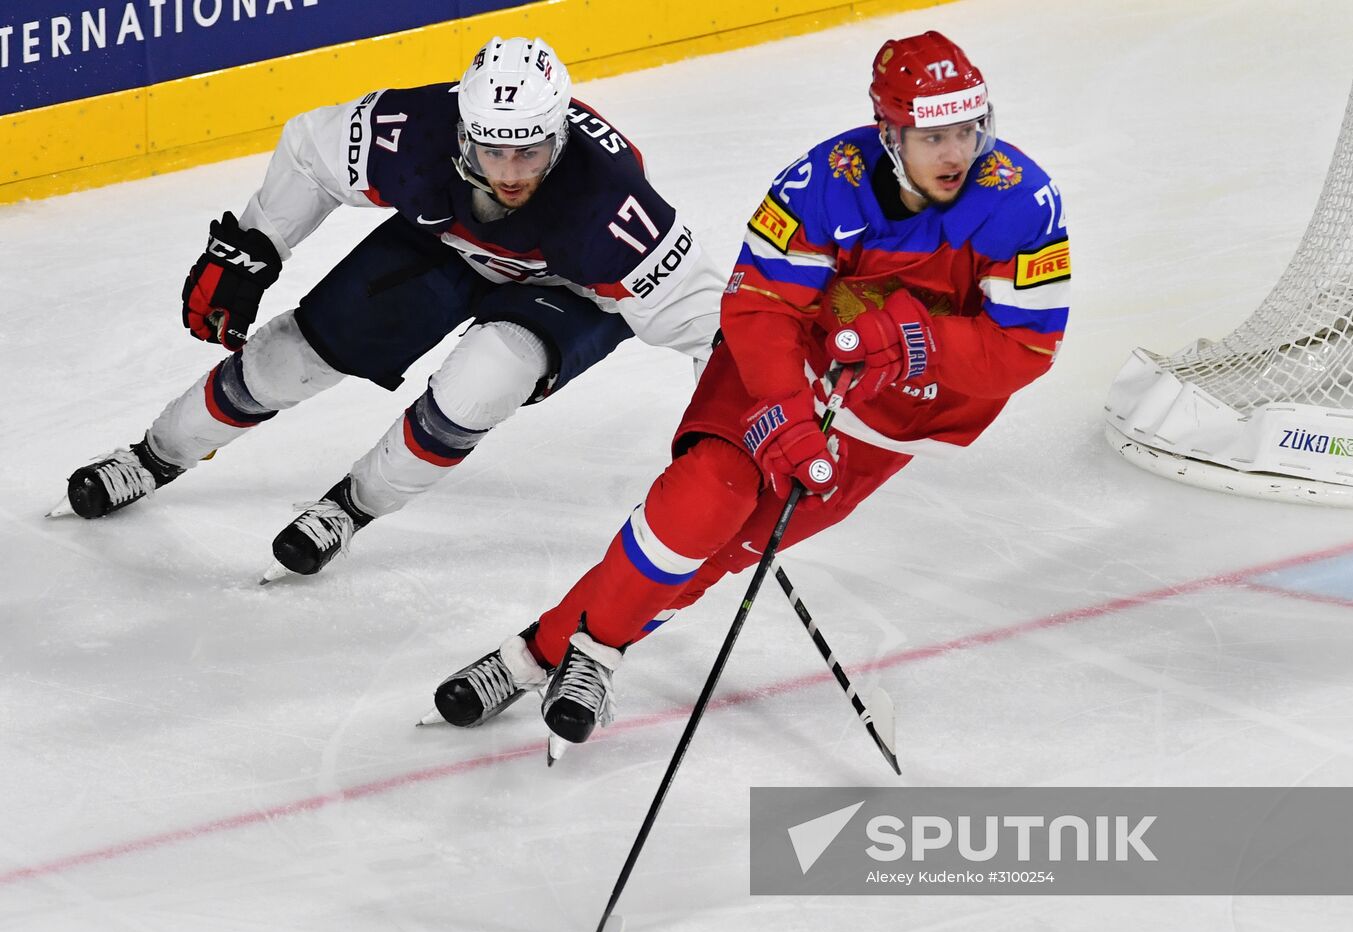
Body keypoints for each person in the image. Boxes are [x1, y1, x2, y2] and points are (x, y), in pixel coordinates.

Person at [429, 30, 1072, 748]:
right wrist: (788, 410)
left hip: (892, 418)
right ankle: (595, 652)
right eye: (932, 135)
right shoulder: (826, 181)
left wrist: (917, 342)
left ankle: (538, 655)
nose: (955, 153)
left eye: (966, 130)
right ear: (890, 133)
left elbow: (1024, 348)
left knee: (727, 548)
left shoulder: (1022, 202)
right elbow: (763, 306)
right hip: (786, 368)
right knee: (709, 495)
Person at [50, 36, 721, 582]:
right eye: (492, 150)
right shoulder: (414, 130)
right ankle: (153, 455)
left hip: (567, 289)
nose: (511, 171)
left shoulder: (614, 209)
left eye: (530, 151)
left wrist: (734, 431)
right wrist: (256, 243)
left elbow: (710, 327)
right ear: (462, 135)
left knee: (485, 379)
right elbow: (311, 151)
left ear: (561, 140)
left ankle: (350, 508)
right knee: (290, 359)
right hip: (452, 246)